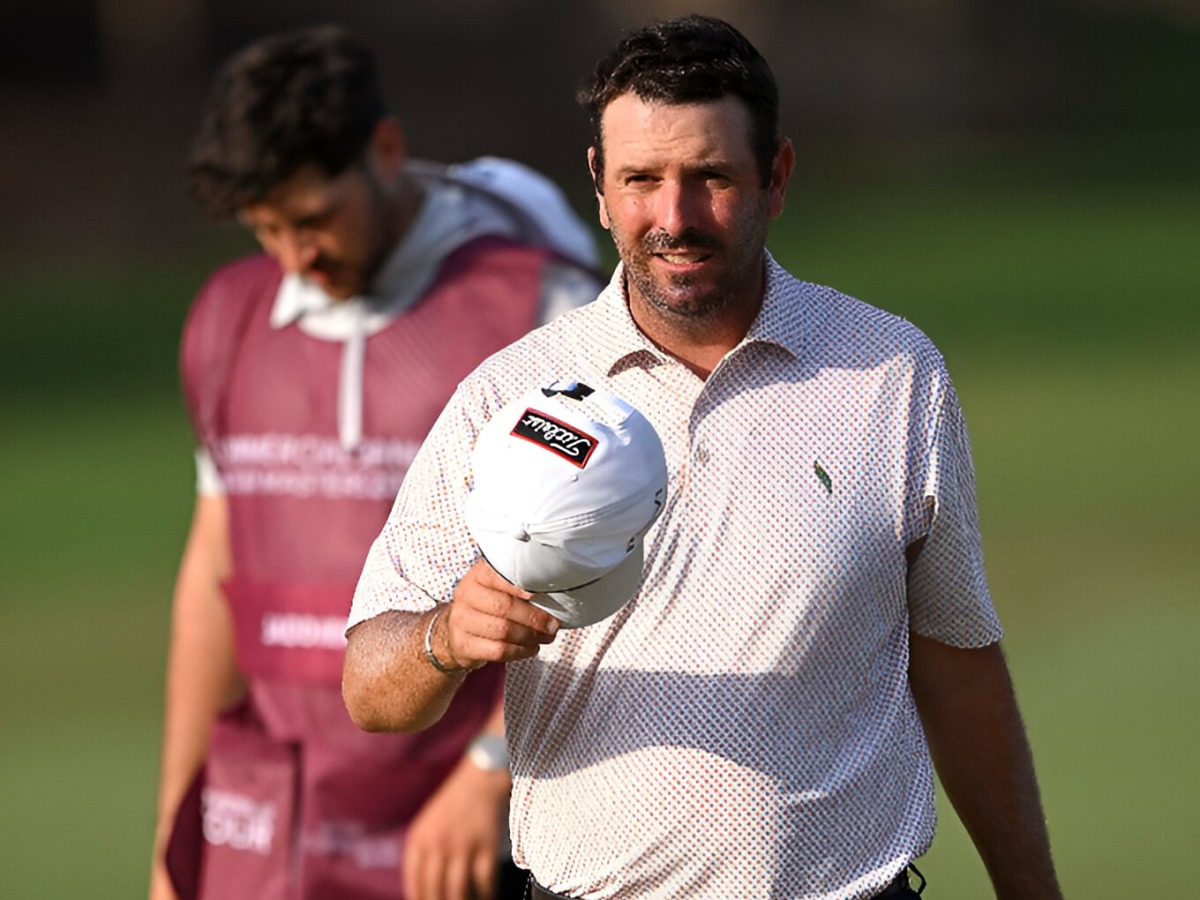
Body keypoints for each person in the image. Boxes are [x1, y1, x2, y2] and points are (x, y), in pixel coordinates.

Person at [342, 14, 1063, 900]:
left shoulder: (892, 372)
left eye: (711, 177)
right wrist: (443, 637)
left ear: (778, 177)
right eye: (641, 179)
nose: (673, 218)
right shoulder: (509, 393)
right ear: (599, 186)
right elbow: (369, 685)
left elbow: (956, 663)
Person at [149, 24, 603, 900]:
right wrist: (180, 831)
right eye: (266, 229)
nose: (295, 257)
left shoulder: (532, 301)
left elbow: (602, 557)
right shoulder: (228, 324)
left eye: (313, 218)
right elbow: (214, 573)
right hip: (272, 835)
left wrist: (490, 769)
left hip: (465, 841)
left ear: (386, 150)